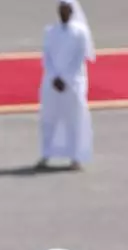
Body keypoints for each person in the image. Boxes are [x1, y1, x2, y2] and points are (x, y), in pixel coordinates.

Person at [37, 0, 96, 170]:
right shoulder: (50, 31)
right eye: (60, 9)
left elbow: (79, 59)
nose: (63, 12)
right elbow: (46, 55)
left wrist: (66, 78)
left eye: (66, 9)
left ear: (71, 11)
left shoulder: (80, 33)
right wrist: (54, 76)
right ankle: (46, 153)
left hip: (74, 82)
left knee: (74, 119)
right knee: (48, 118)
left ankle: (76, 157)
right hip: (51, 81)